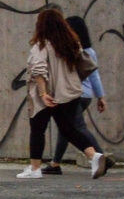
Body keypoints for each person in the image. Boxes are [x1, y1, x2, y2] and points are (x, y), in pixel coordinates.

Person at [20, 5, 108, 180]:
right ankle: (94, 156)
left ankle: (35, 168)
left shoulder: (41, 45)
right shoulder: (72, 44)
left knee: (37, 129)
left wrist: (44, 94)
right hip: (70, 92)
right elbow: (86, 66)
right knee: (68, 129)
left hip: (47, 95)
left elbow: (38, 70)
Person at [42, 14, 109, 174]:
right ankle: (55, 164)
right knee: (66, 128)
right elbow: (95, 76)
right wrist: (100, 96)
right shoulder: (89, 51)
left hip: (74, 95)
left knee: (77, 127)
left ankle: (101, 158)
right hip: (87, 95)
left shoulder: (70, 50)